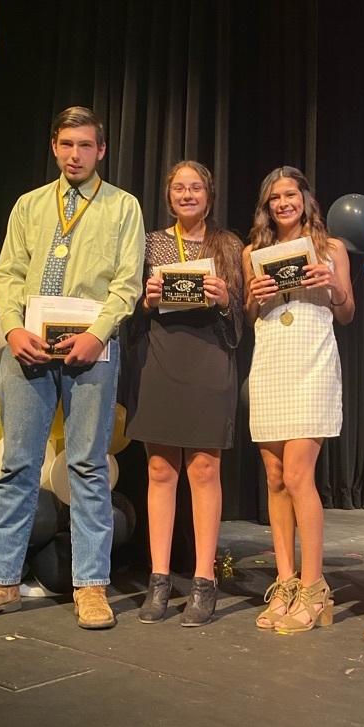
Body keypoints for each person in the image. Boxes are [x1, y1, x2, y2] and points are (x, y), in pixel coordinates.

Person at [0, 106, 145, 629]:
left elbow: (127, 283)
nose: (75, 155)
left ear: (101, 151)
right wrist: (11, 329)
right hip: (27, 347)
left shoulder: (123, 207)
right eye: (66, 145)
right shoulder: (29, 205)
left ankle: (91, 587)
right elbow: (7, 274)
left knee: (87, 467)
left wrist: (96, 335)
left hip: (91, 350)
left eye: (85, 146)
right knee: (18, 467)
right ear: (54, 147)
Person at [125, 161, 244, 626]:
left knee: (204, 469)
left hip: (210, 358)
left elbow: (240, 315)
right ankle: (158, 581)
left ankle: (203, 581)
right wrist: (147, 297)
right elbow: (131, 302)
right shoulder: (152, 241)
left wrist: (222, 297)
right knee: (158, 469)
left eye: (196, 187)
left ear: (208, 195)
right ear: (169, 194)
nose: (188, 194)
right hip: (162, 355)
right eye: (179, 188)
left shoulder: (228, 244)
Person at [243, 167, 354, 633]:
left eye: (290, 194)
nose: (283, 203)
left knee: (296, 473)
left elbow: (346, 312)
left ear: (306, 199)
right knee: (273, 478)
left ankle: (314, 587)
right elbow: (249, 316)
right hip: (270, 361)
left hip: (312, 361)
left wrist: (330, 285)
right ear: (267, 206)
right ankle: (285, 582)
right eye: (274, 198)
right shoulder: (253, 252)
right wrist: (252, 294)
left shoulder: (331, 249)